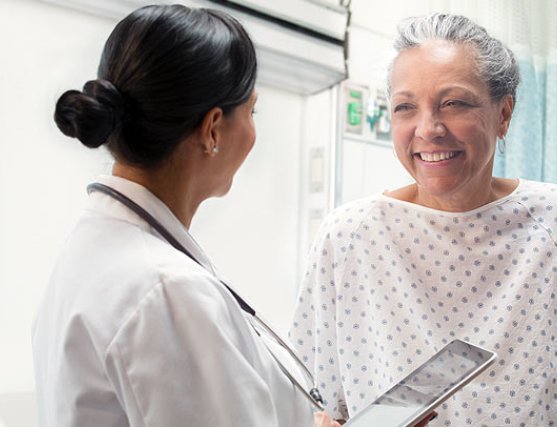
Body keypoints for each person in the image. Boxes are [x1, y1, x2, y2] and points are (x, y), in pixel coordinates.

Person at [289, 13, 557, 426]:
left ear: (504, 114)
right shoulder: (348, 237)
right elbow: (315, 407)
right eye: (405, 107)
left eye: (454, 103)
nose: (428, 129)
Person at [31, 5, 341, 427]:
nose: (253, 131)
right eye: (252, 111)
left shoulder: (96, 246)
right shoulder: (168, 290)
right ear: (213, 128)